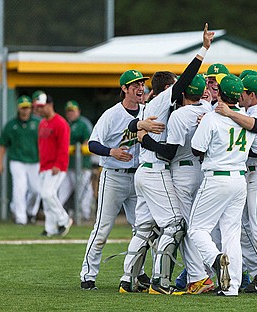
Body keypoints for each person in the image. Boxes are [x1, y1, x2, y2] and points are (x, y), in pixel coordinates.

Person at [118, 23, 215, 295]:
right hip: (157, 169)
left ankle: (129, 280)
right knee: (175, 224)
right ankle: (160, 284)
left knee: (145, 228)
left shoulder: (153, 106)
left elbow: (131, 126)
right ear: (168, 87)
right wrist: (203, 50)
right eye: (175, 85)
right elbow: (185, 80)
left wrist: (138, 130)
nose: (180, 88)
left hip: (144, 170)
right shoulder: (162, 100)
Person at [80, 69, 165, 290]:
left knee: (142, 229)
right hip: (114, 176)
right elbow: (92, 144)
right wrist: (111, 152)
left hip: (138, 177)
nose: (140, 88)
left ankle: (139, 273)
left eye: (142, 84)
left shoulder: (147, 110)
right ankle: (88, 275)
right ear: (124, 89)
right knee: (102, 229)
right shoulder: (112, 114)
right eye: (134, 84)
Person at [189, 73, 257, 297]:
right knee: (231, 233)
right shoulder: (247, 119)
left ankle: (216, 260)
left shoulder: (212, 117)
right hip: (239, 177)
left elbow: (197, 149)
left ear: (221, 93)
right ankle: (232, 286)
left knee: (196, 228)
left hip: (217, 176)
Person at [135, 74, 215, 294]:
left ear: (182, 93)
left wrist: (144, 138)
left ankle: (197, 277)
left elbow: (168, 153)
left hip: (181, 172)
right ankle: (206, 274)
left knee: (183, 227)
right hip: (204, 170)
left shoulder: (179, 114)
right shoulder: (209, 109)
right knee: (200, 227)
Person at [0, 95, 41, 225]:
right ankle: (21, 218)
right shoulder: (11, 124)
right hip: (17, 160)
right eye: (23, 108)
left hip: (35, 160)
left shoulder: (38, 123)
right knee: (19, 188)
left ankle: (30, 212)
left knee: (36, 190)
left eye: (27, 107)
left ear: (31, 108)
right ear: (18, 108)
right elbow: (3, 144)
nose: (25, 110)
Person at [34, 93, 73, 237]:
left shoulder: (60, 123)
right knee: (46, 197)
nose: (39, 110)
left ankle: (64, 219)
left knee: (47, 193)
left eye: (41, 107)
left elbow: (64, 146)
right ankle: (50, 228)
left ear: (50, 105)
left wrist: (58, 164)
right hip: (44, 166)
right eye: (38, 107)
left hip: (57, 166)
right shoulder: (42, 123)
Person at [58, 100, 94, 221]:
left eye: (72, 111)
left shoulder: (83, 124)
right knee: (62, 191)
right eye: (68, 111)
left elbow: (88, 141)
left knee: (84, 192)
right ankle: (59, 215)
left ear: (78, 111)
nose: (70, 113)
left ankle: (85, 215)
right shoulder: (64, 124)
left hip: (83, 165)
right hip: (68, 165)